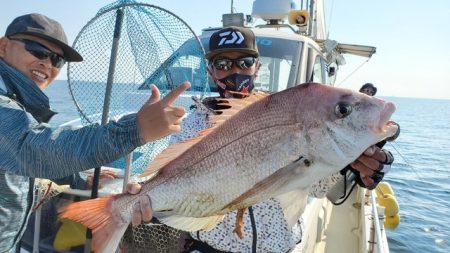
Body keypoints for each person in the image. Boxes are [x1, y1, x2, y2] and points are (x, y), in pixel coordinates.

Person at [179, 26, 395, 252]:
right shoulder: (191, 125)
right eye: (222, 65)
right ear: (210, 71)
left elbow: (317, 187)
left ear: (258, 67)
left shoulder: (288, 116)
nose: (235, 72)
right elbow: (171, 183)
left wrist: (357, 168)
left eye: (245, 62)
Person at [0, 13, 189, 252]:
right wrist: (137, 129)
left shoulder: (16, 101)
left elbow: (15, 162)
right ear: (3, 46)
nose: (47, 63)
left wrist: (80, 180)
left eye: (57, 60)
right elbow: (32, 148)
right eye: (37, 51)